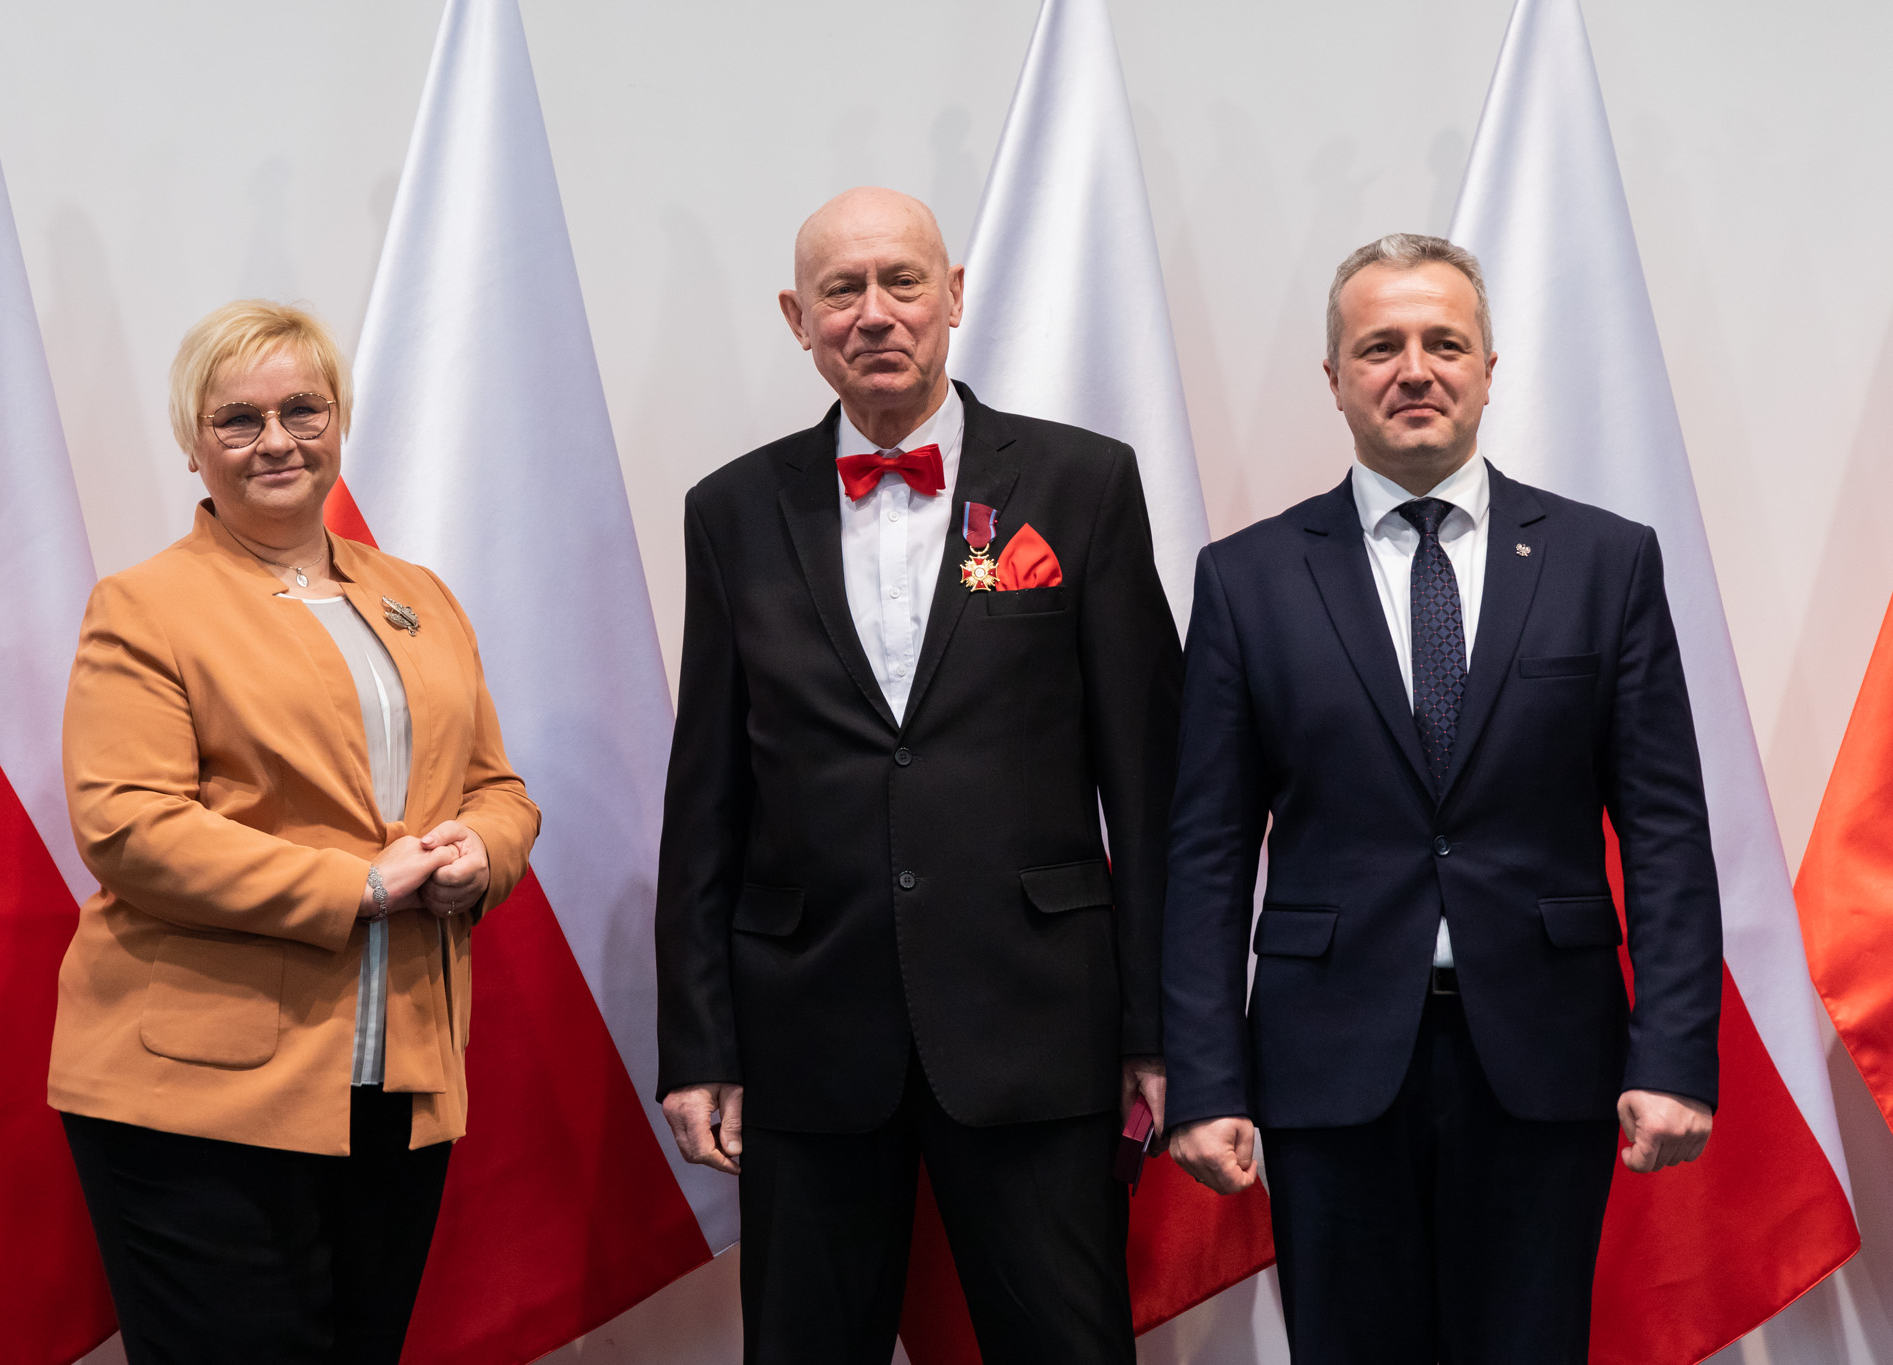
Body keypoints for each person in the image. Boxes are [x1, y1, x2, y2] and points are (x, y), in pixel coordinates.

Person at [1161, 234, 1723, 1363]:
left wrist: (1672, 1056)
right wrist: (1205, 1079)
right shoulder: (1247, 578)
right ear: (1333, 377)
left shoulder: (1604, 561)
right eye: (1380, 346)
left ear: (1488, 367)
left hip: (1544, 1058)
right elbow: (1206, 853)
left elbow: (1665, 832)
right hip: (1327, 1065)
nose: (1413, 369)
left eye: (1443, 343)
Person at [653, 187, 1180, 1363]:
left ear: (952, 295)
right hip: (807, 1033)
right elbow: (706, 801)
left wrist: (1159, 1026)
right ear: (797, 317)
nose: (874, 312)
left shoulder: (1083, 482)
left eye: (901, 281)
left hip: (1038, 1024)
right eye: (841, 289)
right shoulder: (730, 510)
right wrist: (697, 1047)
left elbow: (1148, 789)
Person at [48, 300, 540, 1364]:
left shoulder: (420, 597)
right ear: (193, 445)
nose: (276, 439)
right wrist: (360, 886)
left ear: (338, 421)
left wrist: (482, 853)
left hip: (399, 1078)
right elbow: (128, 825)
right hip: (196, 1097)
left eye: (302, 410)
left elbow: (495, 786)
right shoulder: (143, 606)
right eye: (238, 419)